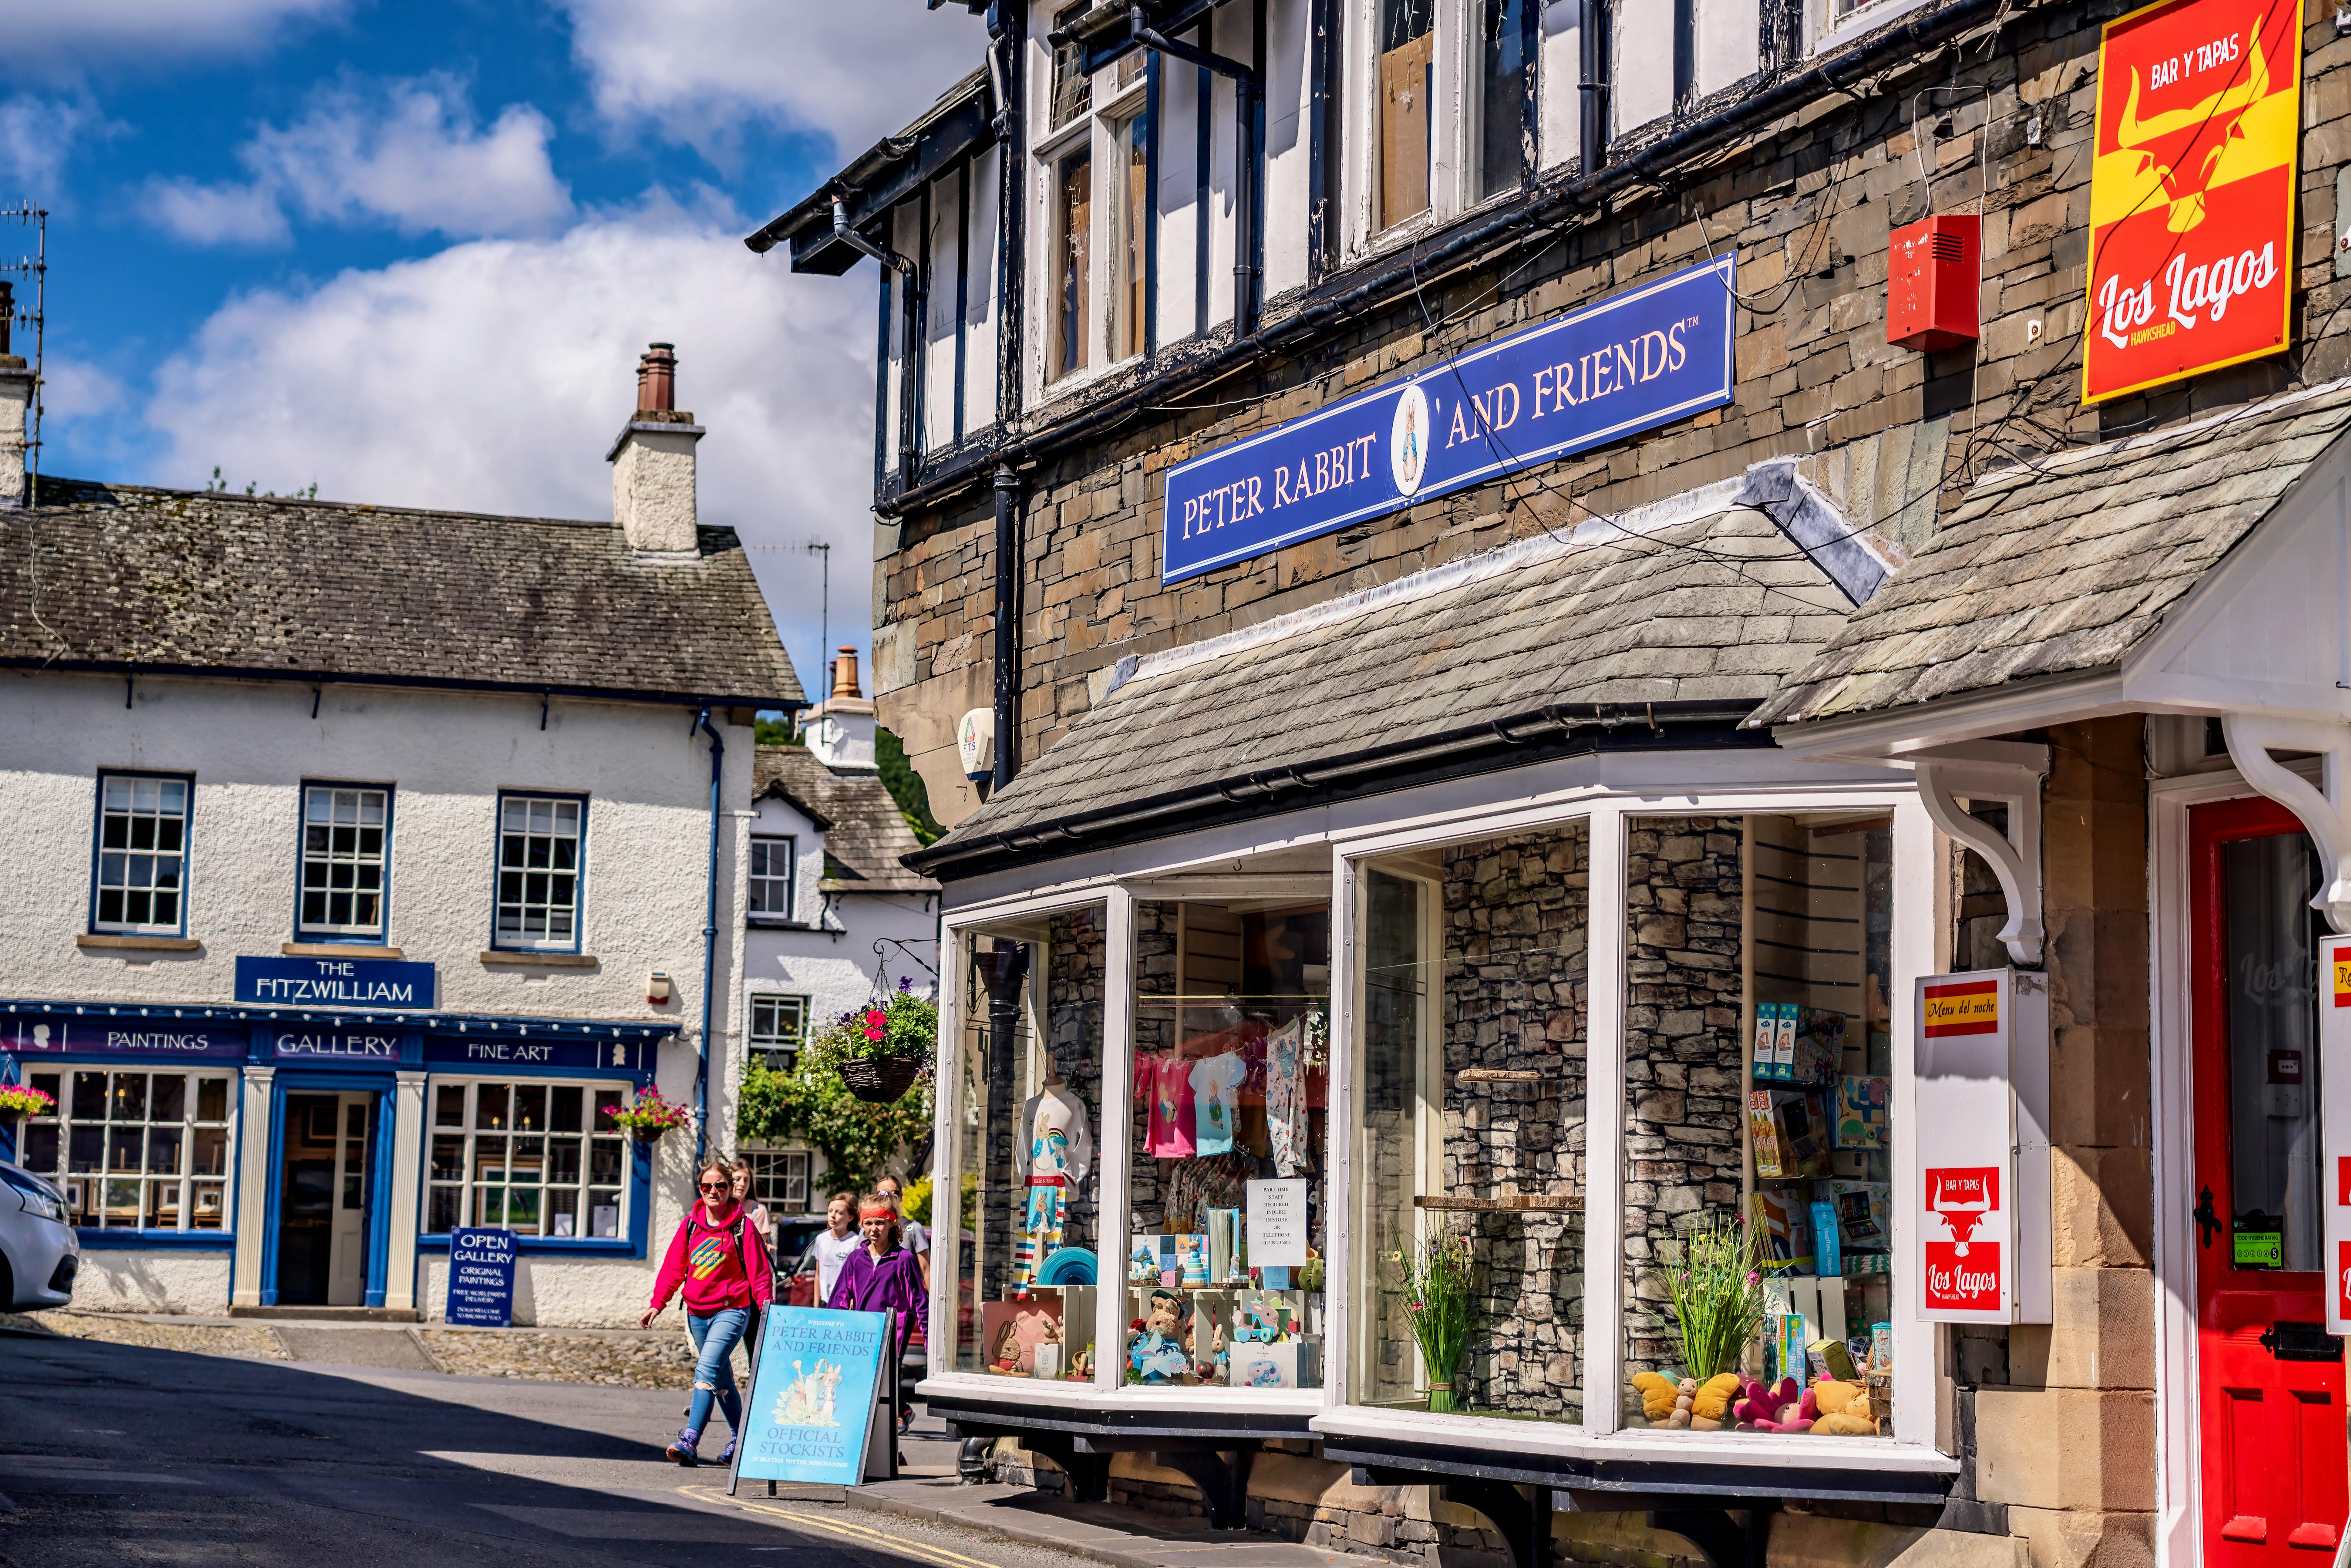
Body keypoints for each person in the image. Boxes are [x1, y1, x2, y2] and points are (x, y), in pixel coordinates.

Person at [643, 1156, 773, 1467]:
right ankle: (740, 1438)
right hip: (697, 1313)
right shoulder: (690, 1226)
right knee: (722, 1379)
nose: (713, 1191)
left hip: (732, 1311)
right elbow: (674, 1269)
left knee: (706, 1370)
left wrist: (767, 1310)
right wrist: (657, 1304)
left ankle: (690, 1439)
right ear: (700, 1190)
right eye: (707, 1186)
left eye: (720, 1185)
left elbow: (759, 1274)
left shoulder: (744, 1226)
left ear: (731, 1189)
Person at [827, 1192, 927, 1437]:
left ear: (892, 1223)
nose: (874, 1229)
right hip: (863, 1333)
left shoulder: (903, 1259)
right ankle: (884, 1444)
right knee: (865, 1388)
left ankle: (891, 1442)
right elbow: (840, 1297)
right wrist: (831, 1330)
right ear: (861, 1224)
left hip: (893, 1332)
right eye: (869, 1223)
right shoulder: (855, 1259)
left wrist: (929, 1342)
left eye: (880, 1223)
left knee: (881, 1387)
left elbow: (919, 1302)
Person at [874, 1174, 930, 1287]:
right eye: (882, 1194)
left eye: (894, 1194)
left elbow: (926, 1270)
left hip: (905, 1298)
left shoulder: (913, 1228)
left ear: (901, 1197)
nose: (888, 1198)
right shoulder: (868, 1229)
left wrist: (929, 1302)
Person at [810, 1190, 862, 1304]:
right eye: (830, 1211)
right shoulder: (821, 1239)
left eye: (839, 1212)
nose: (833, 1216)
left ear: (851, 1217)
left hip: (844, 1303)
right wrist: (816, 1304)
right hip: (825, 1303)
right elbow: (818, 1274)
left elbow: (857, 1278)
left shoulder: (856, 1242)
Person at [729, 1157, 773, 1246]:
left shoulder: (758, 1210)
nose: (742, 1184)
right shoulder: (719, 1209)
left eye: (746, 1180)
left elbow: (757, 1247)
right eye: (737, 1179)